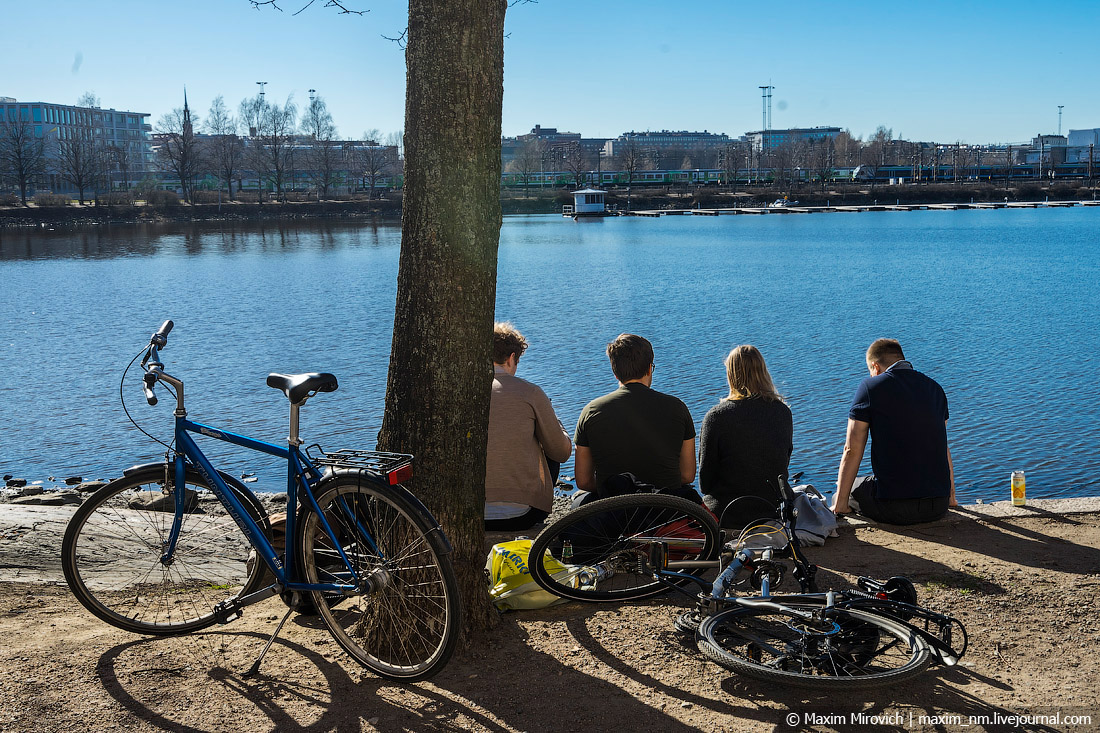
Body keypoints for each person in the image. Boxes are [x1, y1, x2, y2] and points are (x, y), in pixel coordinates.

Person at [830, 338, 956, 525]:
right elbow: (942, 446)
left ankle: (841, 504)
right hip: (938, 506)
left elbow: (852, 449)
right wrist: (951, 499)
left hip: (895, 508)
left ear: (875, 367)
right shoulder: (935, 388)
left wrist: (840, 504)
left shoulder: (870, 388)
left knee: (844, 491)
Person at [574, 334, 696, 495]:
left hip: (614, 513)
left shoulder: (591, 411)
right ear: (649, 368)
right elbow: (687, 475)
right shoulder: (678, 407)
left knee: (579, 500)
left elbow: (583, 481)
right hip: (666, 511)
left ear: (615, 373)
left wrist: (618, 488)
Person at [485, 322, 572, 531]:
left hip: (470, 511)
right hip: (522, 514)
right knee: (549, 441)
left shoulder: (467, 392)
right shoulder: (530, 392)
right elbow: (561, 452)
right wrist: (554, 421)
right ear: (512, 357)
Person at [698, 345, 793, 518]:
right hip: (774, 508)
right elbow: (782, 461)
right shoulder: (782, 412)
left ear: (731, 375)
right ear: (763, 371)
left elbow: (705, 482)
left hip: (727, 511)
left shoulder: (716, 417)